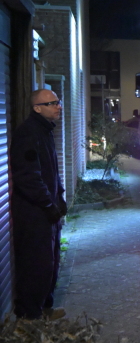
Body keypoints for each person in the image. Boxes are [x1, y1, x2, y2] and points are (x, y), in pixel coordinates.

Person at [10, 89, 67, 321]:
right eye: (52, 103)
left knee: (49, 261)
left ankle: (44, 308)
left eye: (58, 102)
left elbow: (50, 169)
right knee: (36, 264)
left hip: (46, 210)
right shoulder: (28, 134)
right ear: (37, 108)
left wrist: (59, 196)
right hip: (34, 213)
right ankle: (29, 317)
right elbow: (28, 176)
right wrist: (46, 204)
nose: (58, 106)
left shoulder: (44, 131)